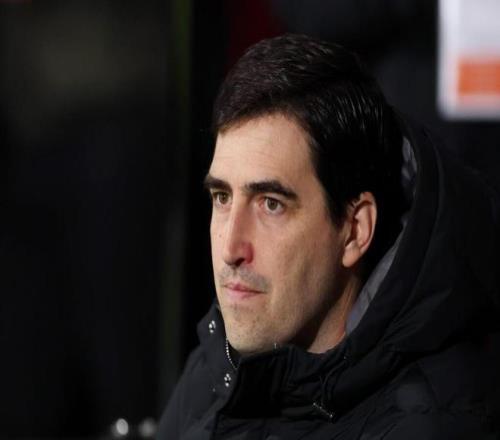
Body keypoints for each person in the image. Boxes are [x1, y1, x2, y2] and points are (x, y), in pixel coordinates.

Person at [158, 34, 500, 439]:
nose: (231, 249)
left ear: (355, 230)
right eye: (222, 197)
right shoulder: (215, 366)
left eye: (271, 205)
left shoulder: (431, 425)